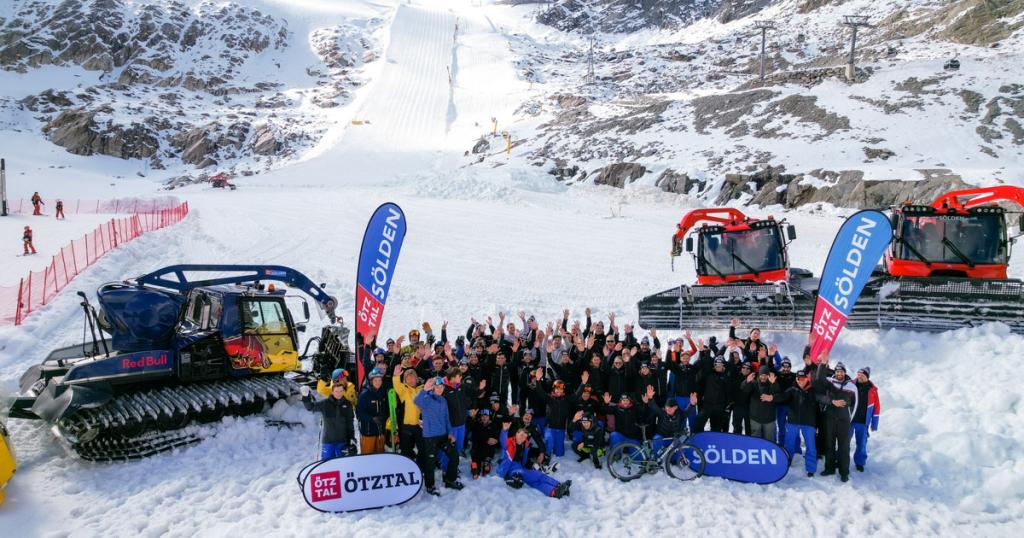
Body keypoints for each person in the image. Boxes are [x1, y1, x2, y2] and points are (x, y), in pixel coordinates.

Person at [414, 376, 463, 495]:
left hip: (443, 436)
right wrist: (424, 390)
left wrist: (450, 433)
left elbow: (447, 418)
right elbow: (416, 401)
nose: (440, 389)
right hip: (430, 437)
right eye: (437, 387)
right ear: (433, 387)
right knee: (430, 463)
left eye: (441, 387)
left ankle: (450, 480)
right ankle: (430, 486)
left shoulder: (443, 400)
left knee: (454, 456)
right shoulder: (427, 398)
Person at [498, 421, 571, 498]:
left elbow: (525, 459)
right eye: (521, 435)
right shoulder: (509, 442)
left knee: (535, 481)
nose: (523, 438)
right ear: (516, 433)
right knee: (535, 475)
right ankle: (557, 485)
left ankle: (555, 491)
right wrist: (504, 431)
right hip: (510, 468)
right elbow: (503, 440)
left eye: (525, 437)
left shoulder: (525, 445)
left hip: (519, 467)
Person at [817, 361, 857, 482]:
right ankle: (829, 468)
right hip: (829, 418)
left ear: (844, 372)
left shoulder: (852, 387)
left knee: (844, 447)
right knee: (829, 444)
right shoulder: (830, 382)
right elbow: (819, 378)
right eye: (837, 371)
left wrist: (850, 419)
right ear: (835, 372)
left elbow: (855, 405)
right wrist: (823, 364)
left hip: (844, 421)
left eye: (841, 371)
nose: (839, 373)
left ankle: (844, 472)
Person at [777, 369, 819, 477]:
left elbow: (820, 403)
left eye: (803, 378)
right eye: (798, 379)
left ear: (806, 379)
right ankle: (787, 462)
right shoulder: (792, 390)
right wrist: (771, 397)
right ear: (796, 379)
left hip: (809, 424)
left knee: (811, 447)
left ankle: (811, 469)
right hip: (793, 422)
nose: (801, 381)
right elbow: (781, 397)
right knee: (789, 444)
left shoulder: (813, 391)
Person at [300, 381, 356, 461]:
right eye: (336, 391)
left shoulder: (347, 404)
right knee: (326, 463)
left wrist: (352, 437)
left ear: (344, 391)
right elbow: (311, 407)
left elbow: (350, 423)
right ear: (332, 391)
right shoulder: (325, 403)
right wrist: (306, 397)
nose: (339, 393)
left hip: (343, 441)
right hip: (328, 441)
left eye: (341, 391)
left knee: (343, 462)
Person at [392, 365, 424, 462]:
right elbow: (397, 385)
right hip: (407, 426)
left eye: (412, 377)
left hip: (420, 426)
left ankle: (420, 465)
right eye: (407, 378)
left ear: (416, 378)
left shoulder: (423, 389)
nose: (410, 380)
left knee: (423, 449)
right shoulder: (404, 390)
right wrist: (396, 376)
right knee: (406, 450)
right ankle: (408, 465)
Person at [852, 367, 880, 472]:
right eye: (858, 374)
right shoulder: (851, 385)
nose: (859, 376)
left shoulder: (872, 390)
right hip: (850, 420)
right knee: (844, 443)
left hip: (863, 422)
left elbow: (876, 407)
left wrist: (874, 424)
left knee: (862, 444)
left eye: (862, 375)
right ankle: (840, 460)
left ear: (867, 377)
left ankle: (859, 462)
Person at [741, 366, 780, 442]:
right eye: (762, 375)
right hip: (755, 419)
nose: (763, 377)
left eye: (765, 375)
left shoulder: (773, 383)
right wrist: (746, 382)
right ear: (759, 375)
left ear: (768, 375)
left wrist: (774, 384)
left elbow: (779, 396)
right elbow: (744, 389)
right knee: (756, 441)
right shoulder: (753, 383)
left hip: (769, 419)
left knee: (770, 441)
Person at [356, 368, 388, 454]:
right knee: (367, 456)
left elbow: (386, 410)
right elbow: (359, 413)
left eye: (380, 380)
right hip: (368, 432)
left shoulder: (383, 393)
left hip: (381, 432)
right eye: (375, 380)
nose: (378, 382)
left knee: (380, 456)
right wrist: (372, 418)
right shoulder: (364, 395)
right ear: (371, 381)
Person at [468, 408, 499, 479]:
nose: (484, 418)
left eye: (486, 416)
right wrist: (472, 417)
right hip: (478, 448)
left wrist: (496, 440)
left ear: (489, 417)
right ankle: (475, 468)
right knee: (475, 453)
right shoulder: (477, 424)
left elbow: (497, 437)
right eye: (482, 416)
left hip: (487, 449)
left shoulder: (494, 426)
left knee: (489, 447)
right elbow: (473, 434)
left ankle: (486, 464)